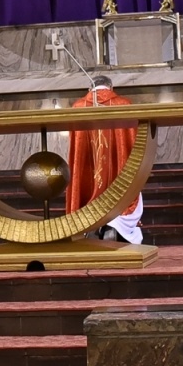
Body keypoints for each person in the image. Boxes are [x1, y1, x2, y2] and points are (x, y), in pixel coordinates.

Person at [67, 75, 143, 245]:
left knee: (90, 183)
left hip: (89, 168)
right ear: (111, 87)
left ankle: (89, 228)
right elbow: (132, 142)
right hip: (119, 166)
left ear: (90, 89)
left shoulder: (78, 107)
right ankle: (113, 227)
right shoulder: (124, 104)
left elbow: (76, 148)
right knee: (123, 191)